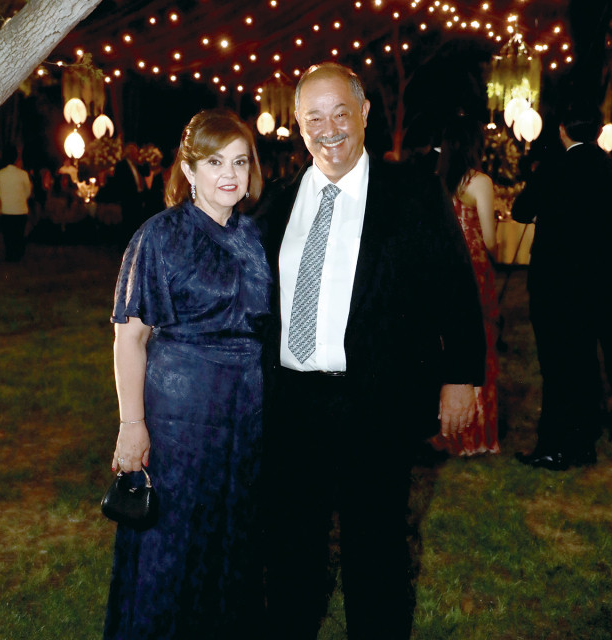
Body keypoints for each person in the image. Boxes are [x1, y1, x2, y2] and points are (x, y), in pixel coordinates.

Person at [257, 62, 486, 640]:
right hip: (292, 405)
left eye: (340, 113)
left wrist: (460, 376)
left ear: (363, 113)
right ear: (298, 126)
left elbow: (455, 287)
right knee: (289, 548)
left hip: (376, 401)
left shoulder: (412, 191)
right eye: (314, 118)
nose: (329, 129)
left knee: (376, 548)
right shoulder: (278, 202)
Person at [103, 109, 271, 640]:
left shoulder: (254, 236)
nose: (230, 174)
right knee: (172, 544)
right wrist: (133, 425)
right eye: (215, 162)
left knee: (232, 538)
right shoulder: (160, 235)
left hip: (245, 417)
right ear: (190, 168)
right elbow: (130, 338)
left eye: (240, 161)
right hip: (180, 420)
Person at [512, 99, 612, 470]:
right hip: (600, 279)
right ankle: (584, 442)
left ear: (561, 130)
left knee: (557, 365)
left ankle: (556, 446)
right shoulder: (610, 169)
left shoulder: (555, 168)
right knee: (586, 361)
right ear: (597, 131)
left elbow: (520, 211)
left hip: (556, 282)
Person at [431, 115, 500, 455]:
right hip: (473, 270)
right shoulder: (479, 182)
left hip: (441, 270)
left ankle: (445, 429)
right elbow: (489, 239)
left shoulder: (436, 181)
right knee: (481, 341)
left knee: (447, 344)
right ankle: (477, 433)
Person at [0, 146, 32, 262]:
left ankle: (10, 254)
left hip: (6, 209)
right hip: (20, 209)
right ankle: (18, 254)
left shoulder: (0, 174)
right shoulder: (23, 174)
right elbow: (28, 191)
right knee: (19, 234)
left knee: (8, 235)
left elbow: (0, 190)